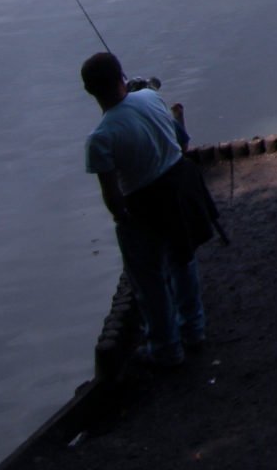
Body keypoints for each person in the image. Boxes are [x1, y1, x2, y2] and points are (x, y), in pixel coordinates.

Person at [81, 52, 217, 368]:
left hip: (145, 205)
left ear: (89, 91)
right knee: (183, 261)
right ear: (122, 77)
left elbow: (112, 196)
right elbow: (179, 143)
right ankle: (194, 330)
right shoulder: (151, 98)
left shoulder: (100, 139)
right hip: (180, 189)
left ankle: (167, 349)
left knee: (150, 282)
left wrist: (122, 219)